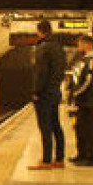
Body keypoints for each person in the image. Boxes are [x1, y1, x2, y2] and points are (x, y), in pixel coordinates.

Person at [28, 20, 67, 170]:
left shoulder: (42, 48)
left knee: (45, 127)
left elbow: (41, 72)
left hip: (44, 93)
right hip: (55, 91)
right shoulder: (59, 48)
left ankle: (46, 160)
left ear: (39, 31)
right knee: (56, 125)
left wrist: (36, 91)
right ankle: (59, 159)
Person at [68, 35, 93, 166]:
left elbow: (88, 81)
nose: (78, 47)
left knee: (88, 130)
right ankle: (82, 155)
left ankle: (90, 158)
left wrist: (76, 93)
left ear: (87, 44)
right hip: (85, 101)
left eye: (80, 44)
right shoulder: (88, 60)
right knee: (80, 129)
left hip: (89, 102)